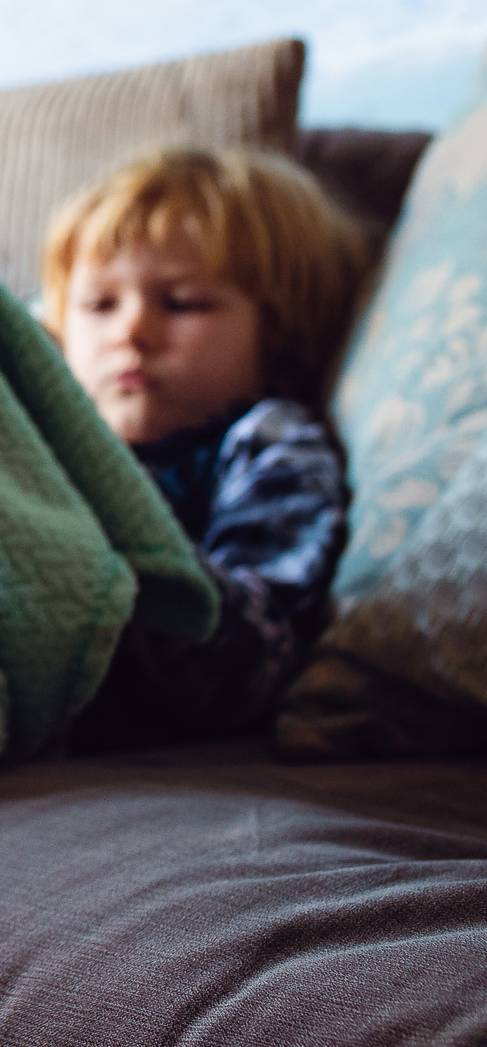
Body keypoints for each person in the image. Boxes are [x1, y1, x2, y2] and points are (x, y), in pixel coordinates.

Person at [40, 146, 371, 749]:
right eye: (99, 304)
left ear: (280, 335)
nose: (131, 332)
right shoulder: (42, 430)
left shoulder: (264, 441)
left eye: (182, 302)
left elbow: (243, 664)